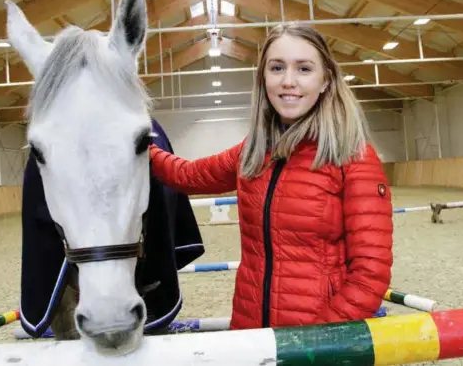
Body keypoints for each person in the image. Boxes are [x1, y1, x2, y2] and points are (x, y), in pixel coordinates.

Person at [149, 23, 393, 330]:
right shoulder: (252, 152)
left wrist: (318, 342)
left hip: (317, 340)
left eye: (304, 69)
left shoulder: (353, 157)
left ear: (326, 80)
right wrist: (142, 143)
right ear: (264, 78)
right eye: (277, 68)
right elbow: (187, 175)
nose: (288, 81)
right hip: (251, 329)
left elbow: (370, 277)